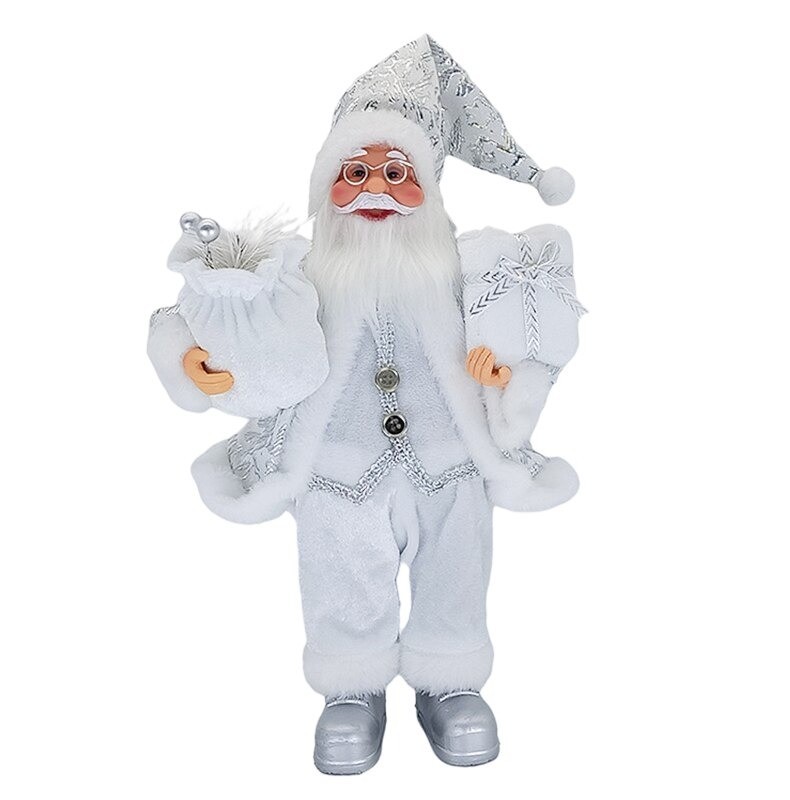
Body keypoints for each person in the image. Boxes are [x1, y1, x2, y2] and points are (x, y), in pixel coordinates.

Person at [149, 34, 580, 774]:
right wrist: (193, 355)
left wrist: (503, 376)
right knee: (341, 571)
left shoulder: (468, 268)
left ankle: (450, 681)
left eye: (395, 172)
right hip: (335, 466)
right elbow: (196, 312)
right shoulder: (295, 273)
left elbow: (525, 337)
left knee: (456, 567)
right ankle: (351, 688)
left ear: (428, 188)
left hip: (449, 460)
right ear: (327, 185)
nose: (375, 188)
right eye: (355, 172)